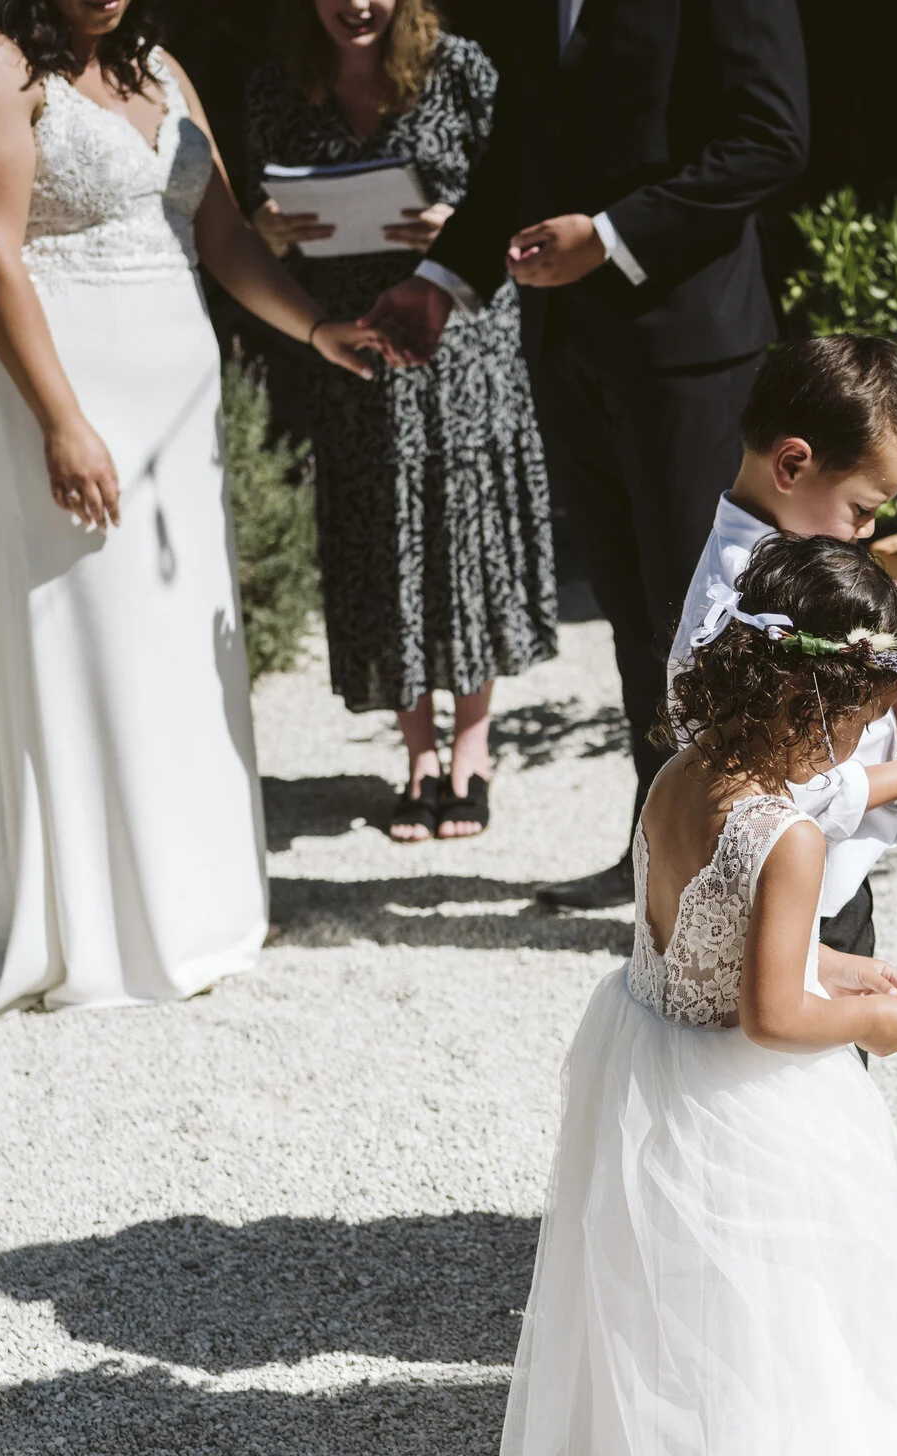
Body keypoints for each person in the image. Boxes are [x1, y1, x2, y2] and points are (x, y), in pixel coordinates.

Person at [485, 535, 897, 1456]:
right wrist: (876, 1015)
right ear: (820, 704)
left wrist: (834, 957)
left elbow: (703, 948)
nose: (866, 735)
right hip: (739, 1089)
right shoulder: (789, 841)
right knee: (775, 1303)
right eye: (865, 714)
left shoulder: (682, 772)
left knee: (670, 1300)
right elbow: (774, 1014)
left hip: (645, 1049)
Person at [0, 0, 389, 1028]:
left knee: (177, 646)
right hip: (70, 395)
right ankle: (103, 928)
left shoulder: (159, 66)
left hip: (178, 414)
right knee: (95, 634)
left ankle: (193, 905)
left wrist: (316, 329)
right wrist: (60, 421)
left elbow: (219, 234)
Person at [361, 0, 810, 906]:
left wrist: (610, 238)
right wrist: (444, 280)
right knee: (636, 619)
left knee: (711, 622)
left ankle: (760, 883)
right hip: (570, 350)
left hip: (691, 347)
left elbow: (773, 137)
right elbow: (530, 140)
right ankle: (663, 857)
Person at [246, 0, 555, 842]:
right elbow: (248, 240)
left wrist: (460, 229)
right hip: (357, 352)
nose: (356, 3)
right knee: (382, 543)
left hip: (462, 346)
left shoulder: (464, 71)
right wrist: (270, 233)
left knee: (464, 541)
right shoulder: (280, 90)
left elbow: (530, 202)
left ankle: (473, 748)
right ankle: (417, 755)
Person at [667, 335, 897, 963]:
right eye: (863, 508)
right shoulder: (747, 600)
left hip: (825, 868)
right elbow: (772, 783)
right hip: (787, 885)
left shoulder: (792, 559)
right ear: (791, 466)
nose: (869, 530)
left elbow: (830, 714)